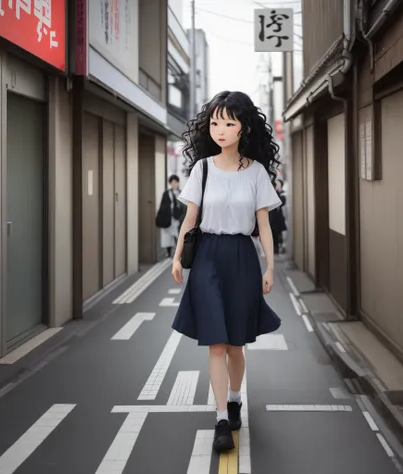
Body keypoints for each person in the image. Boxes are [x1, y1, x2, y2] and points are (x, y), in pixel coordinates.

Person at [170, 91, 282, 453]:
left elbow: (263, 225)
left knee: (236, 343)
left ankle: (235, 398)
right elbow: (189, 219)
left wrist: (270, 265)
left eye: (229, 123)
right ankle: (221, 417)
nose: (220, 129)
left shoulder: (257, 172)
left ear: (243, 128)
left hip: (241, 256)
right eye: (215, 122)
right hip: (207, 257)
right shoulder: (202, 168)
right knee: (216, 342)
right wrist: (176, 258)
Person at [155, 175, 186, 258]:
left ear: (178, 183)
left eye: (175, 182)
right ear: (170, 183)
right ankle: (169, 253)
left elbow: (185, 205)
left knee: (178, 235)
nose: (174, 184)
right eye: (172, 182)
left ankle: (179, 253)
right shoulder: (167, 193)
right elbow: (163, 205)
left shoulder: (181, 192)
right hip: (169, 218)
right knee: (168, 237)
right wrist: (170, 206)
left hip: (178, 218)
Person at [270, 179, 287, 254]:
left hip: (278, 220)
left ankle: (276, 251)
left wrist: (277, 192)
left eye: (278, 184)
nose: (276, 186)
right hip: (270, 219)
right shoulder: (270, 194)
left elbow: (281, 202)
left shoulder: (282, 194)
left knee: (277, 236)